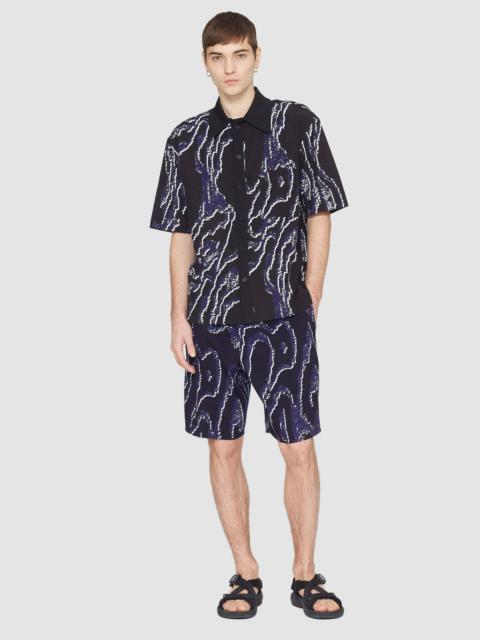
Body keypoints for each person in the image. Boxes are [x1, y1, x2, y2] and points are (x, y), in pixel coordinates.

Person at [149, 11, 348, 620]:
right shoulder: (185, 140)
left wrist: (311, 292)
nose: (229, 68)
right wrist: (177, 316)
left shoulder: (297, 124)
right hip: (210, 321)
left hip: (283, 315)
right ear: (205, 64)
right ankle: (246, 572)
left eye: (239, 55)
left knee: (298, 446)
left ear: (257, 56)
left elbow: (320, 211)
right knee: (223, 446)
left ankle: (306, 574)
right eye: (218, 57)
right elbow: (180, 232)